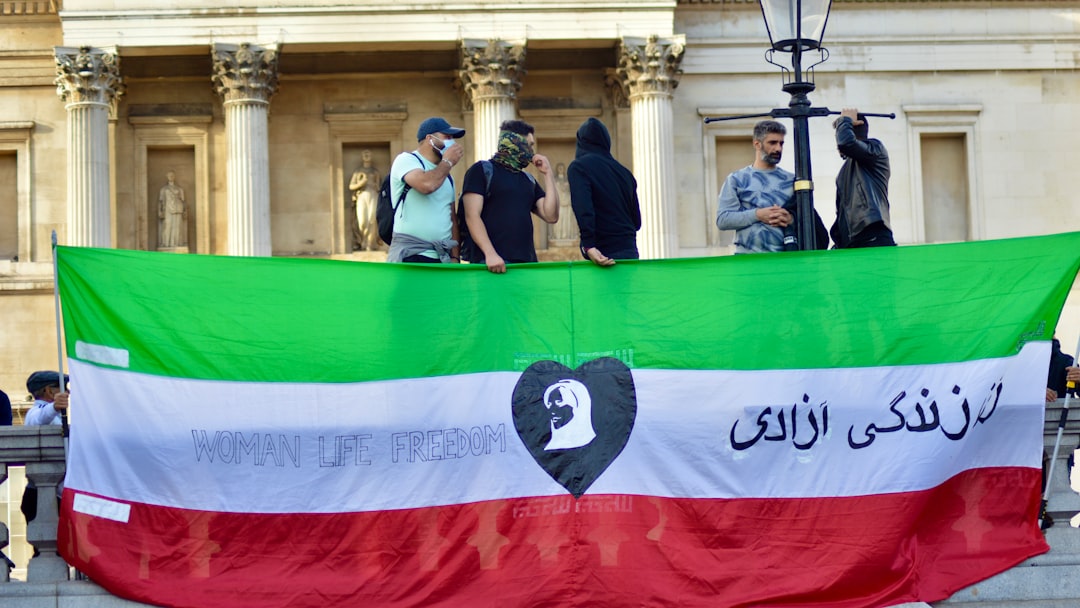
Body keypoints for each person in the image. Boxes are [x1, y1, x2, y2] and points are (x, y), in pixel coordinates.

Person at [460, 120, 559, 273]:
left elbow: (551, 215)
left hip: (526, 264)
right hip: (490, 263)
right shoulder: (482, 170)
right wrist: (490, 254)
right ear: (515, 142)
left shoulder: (528, 180)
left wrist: (548, 173)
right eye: (529, 145)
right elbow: (472, 216)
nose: (532, 151)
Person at [385, 117, 466, 263]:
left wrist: (455, 256)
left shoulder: (447, 177)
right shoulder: (406, 160)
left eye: (452, 138)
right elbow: (427, 185)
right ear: (430, 139)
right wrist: (447, 162)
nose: (452, 142)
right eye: (447, 137)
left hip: (442, 258)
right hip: (411, 255)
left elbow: (451, 217)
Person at [567, 117, 641, 266]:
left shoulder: (579, 168)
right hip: (630, 252)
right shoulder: (625, 173)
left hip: (602, 254)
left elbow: (583, 208)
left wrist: (588, 245)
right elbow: (636, 222)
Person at [715, 120, 796, 253]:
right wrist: (757, 215)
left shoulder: (793, 180)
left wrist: (791, 219)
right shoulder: (736, 179)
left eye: (781, 143)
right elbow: (723, 220)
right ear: (757, 144)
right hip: (746, 259)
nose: (778, 148)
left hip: (786, 258)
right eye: (772, 143)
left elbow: (809, 221)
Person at [831, 108, 896, 248]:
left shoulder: (876, 149)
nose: (837, 141)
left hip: (873, 236)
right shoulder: (844, 172)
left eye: (842, 130)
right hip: (854, 242)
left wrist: (845, 120)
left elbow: (846, 143)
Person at [349, 149, 382, 251]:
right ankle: (362, 242)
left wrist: (376, 186)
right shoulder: (358, 172)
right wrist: (361, 183)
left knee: (372, 219)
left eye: (369, 154)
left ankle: (370, 245)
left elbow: (380, 188)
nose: (367, 155)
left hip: (373, 195)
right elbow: (351, 186)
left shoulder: (375, 172)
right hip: (362, 196)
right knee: (362, 221)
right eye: (365, 154)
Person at [158, 171, 187, 249]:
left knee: (178, 226)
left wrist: (185, 211)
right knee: (168, 225)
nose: (171, 177)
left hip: (178, 209)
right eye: (169, 175)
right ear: (167, 177)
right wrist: (160, 211)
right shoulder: (163, 189)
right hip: (167, 209)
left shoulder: (179, 189)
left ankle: (178, 243)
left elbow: (183, 201)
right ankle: (166, 243)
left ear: (174, 176)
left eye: (172, 175)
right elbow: (160, 201)